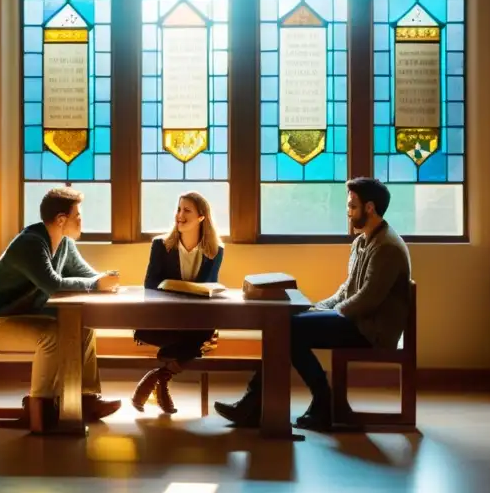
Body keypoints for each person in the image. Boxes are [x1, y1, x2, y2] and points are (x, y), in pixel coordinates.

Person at [214, 177, 411, 431]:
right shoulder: (362, 241)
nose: (348, 212)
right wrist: (318, 308)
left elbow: (367, 300)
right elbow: (347, 289)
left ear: (370, 208)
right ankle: (259, 404)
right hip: (358, 320)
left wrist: (329, 314)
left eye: (352, 206)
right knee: (286, 324)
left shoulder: (387, 248)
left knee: (288, 329)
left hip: (372, 329)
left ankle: (316, 402)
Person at [0, 186, 122, 430]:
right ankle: (39, 410)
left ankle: (87, 400)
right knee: (51, 336)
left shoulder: (65, 244)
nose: (81, 221)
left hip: (26, 318)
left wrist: (105, 279)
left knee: (83, 330)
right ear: (62, 220)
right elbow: (53, 285)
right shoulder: (29, 244)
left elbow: (87, 276)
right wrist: (96, 284)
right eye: (78, 216)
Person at [131, 192, 224, 414]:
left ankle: (158, 377)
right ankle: (161, 379)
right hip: (162, 320)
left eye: (187, 210)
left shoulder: (215, 251)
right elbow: (150, 284)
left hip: (193, 323)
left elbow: (208, 287)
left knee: (203, 333)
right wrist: (175, 288)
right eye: (179, 209)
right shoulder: (161, 245)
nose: (180, 215)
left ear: (202, 217)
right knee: (200, 342)